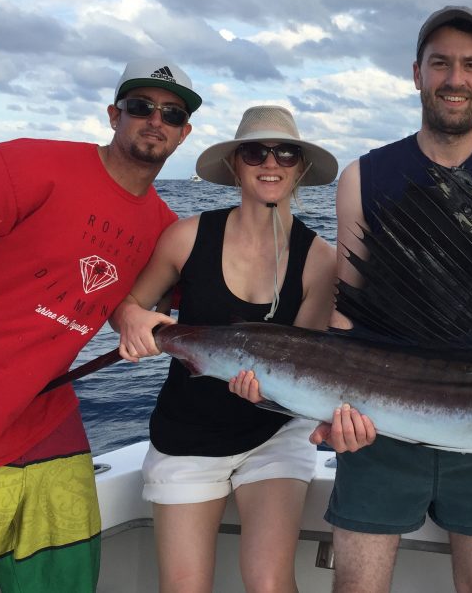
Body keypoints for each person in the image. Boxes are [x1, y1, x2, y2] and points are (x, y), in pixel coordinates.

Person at [0, 58, 200, 592]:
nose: (155, 120)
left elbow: (211, 302)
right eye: (141, 106)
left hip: (42, 415)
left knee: (67, 580)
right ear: (114, 114)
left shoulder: (165, 228)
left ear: (184, 133)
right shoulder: (26, 165)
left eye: (171, 113)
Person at [311, 6, 472, 593]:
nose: (455, 78)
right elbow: (348, 309)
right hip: (377, 425)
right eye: (440, 63)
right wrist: (332, 409)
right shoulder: (362, 177)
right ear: (416, 73)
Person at [111, 105, 338, 593]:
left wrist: (271, 396)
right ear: (236, 164)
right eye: (255, 152)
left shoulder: (321, 259)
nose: (270, 162)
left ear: (300, 167)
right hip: (187, 432)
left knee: (270, 584)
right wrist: (131, 320)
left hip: (273, 430)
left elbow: (304, 364)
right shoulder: (187, 236)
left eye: (286, 153)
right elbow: (130, 304)